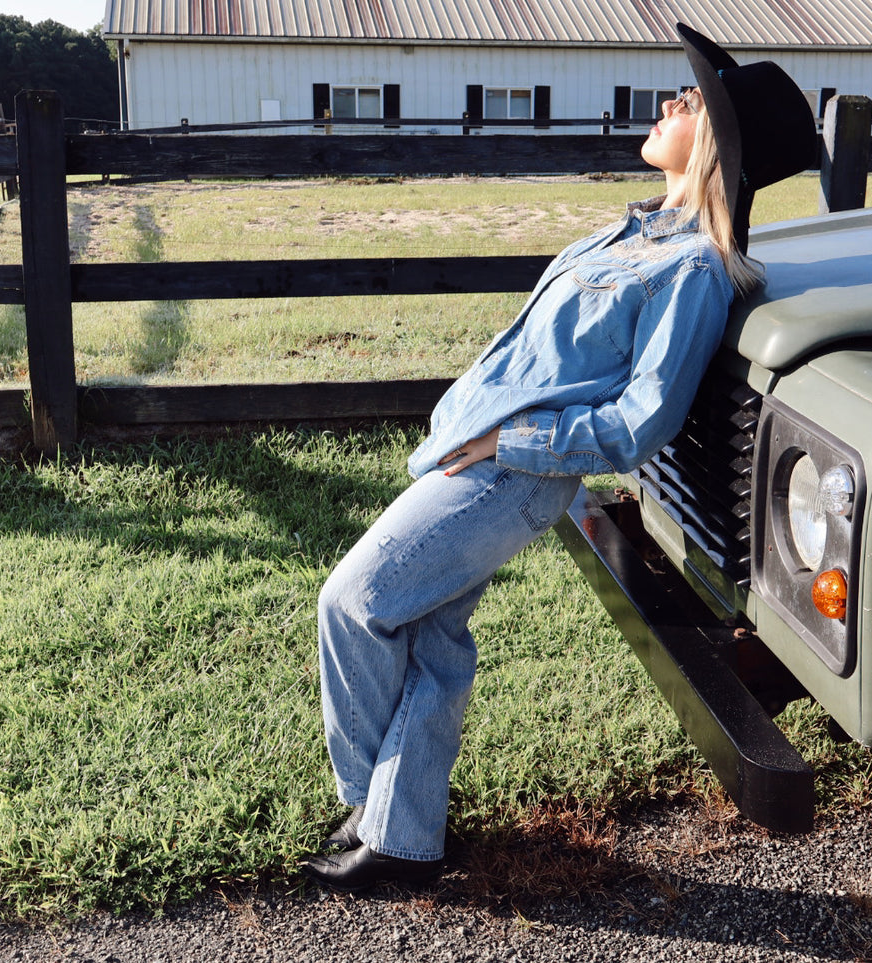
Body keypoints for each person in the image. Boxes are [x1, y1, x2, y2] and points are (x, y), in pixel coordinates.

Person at [303, 25, 819, 892]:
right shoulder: (628, 236)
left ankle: (370, 809)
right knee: (432, 637)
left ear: (717, 147)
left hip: (510, 475)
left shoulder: (694, 269)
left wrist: (504, 440)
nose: (668, 102)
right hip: (470, 456)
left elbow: (635, 424)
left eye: (688, 102)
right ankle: (406, 838)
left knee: (352, 603)